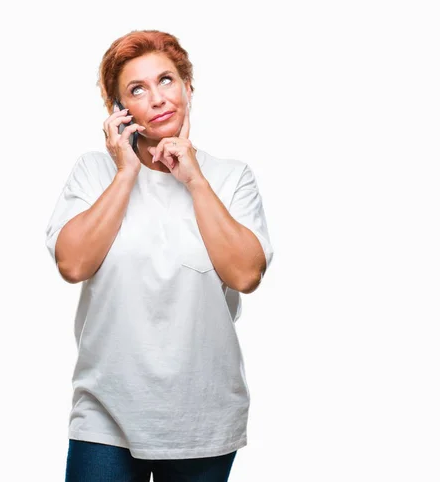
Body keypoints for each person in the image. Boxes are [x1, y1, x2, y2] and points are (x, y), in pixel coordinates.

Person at [44, 29, 274, 482]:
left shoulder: (230, 177)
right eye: (137, 89)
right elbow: (73, 265)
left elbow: (246, 273)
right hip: (104, 413)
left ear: (188, 87)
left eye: (166, 80)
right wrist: (126, 171)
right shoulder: (94, 173)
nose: (158, 98)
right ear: (120, 110)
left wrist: (194, 181)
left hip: (201, 418)